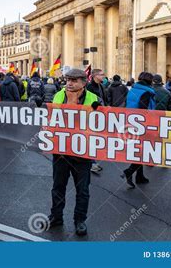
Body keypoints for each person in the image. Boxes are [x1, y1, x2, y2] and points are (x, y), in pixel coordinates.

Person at [48, 68, 99, 236]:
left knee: (82, 190)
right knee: (58, 187)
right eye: (68, 79)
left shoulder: (94, 99)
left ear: (84, 83)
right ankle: (56, 217)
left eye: (74, 80)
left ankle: (80, 221)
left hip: (82, 154)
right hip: (61, 152)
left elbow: (105, 124)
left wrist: (100, 110)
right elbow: (49, 117)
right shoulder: (58, 95)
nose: (69, 83)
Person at [121, 72, 156, 188]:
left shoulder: (132, 90)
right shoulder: (146, 92)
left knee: (139, 150)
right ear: (150, 81)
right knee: (144, 151)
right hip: (142, 125)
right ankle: (129, 171)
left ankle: (140, 176)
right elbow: (143, 111)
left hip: (131, 123)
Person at [86, 69, 107, 174]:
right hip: (91, 116)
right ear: (95, 76)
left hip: (99, 115)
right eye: (101, 74)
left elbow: (104, 100)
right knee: (90, 139)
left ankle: (91, 161)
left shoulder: (101, 86)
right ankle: (91, 163)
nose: (104, 76)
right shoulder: (89, 87)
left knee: (94, 139)